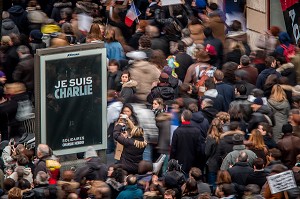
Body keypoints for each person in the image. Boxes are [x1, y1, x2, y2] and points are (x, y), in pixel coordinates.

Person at [170, 110, 205, 174]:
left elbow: (173, 148)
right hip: (193, 161)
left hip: (179, 161)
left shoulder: (177, 131)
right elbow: (199, 148)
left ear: (182, 118)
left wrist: (172, 160)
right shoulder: (196, 131)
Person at [205, 118, 222, 189]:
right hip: (221, 164)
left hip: (211, 165)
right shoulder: (223, 137)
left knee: (212, 186)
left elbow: (207, 152)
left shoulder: (210, 138)